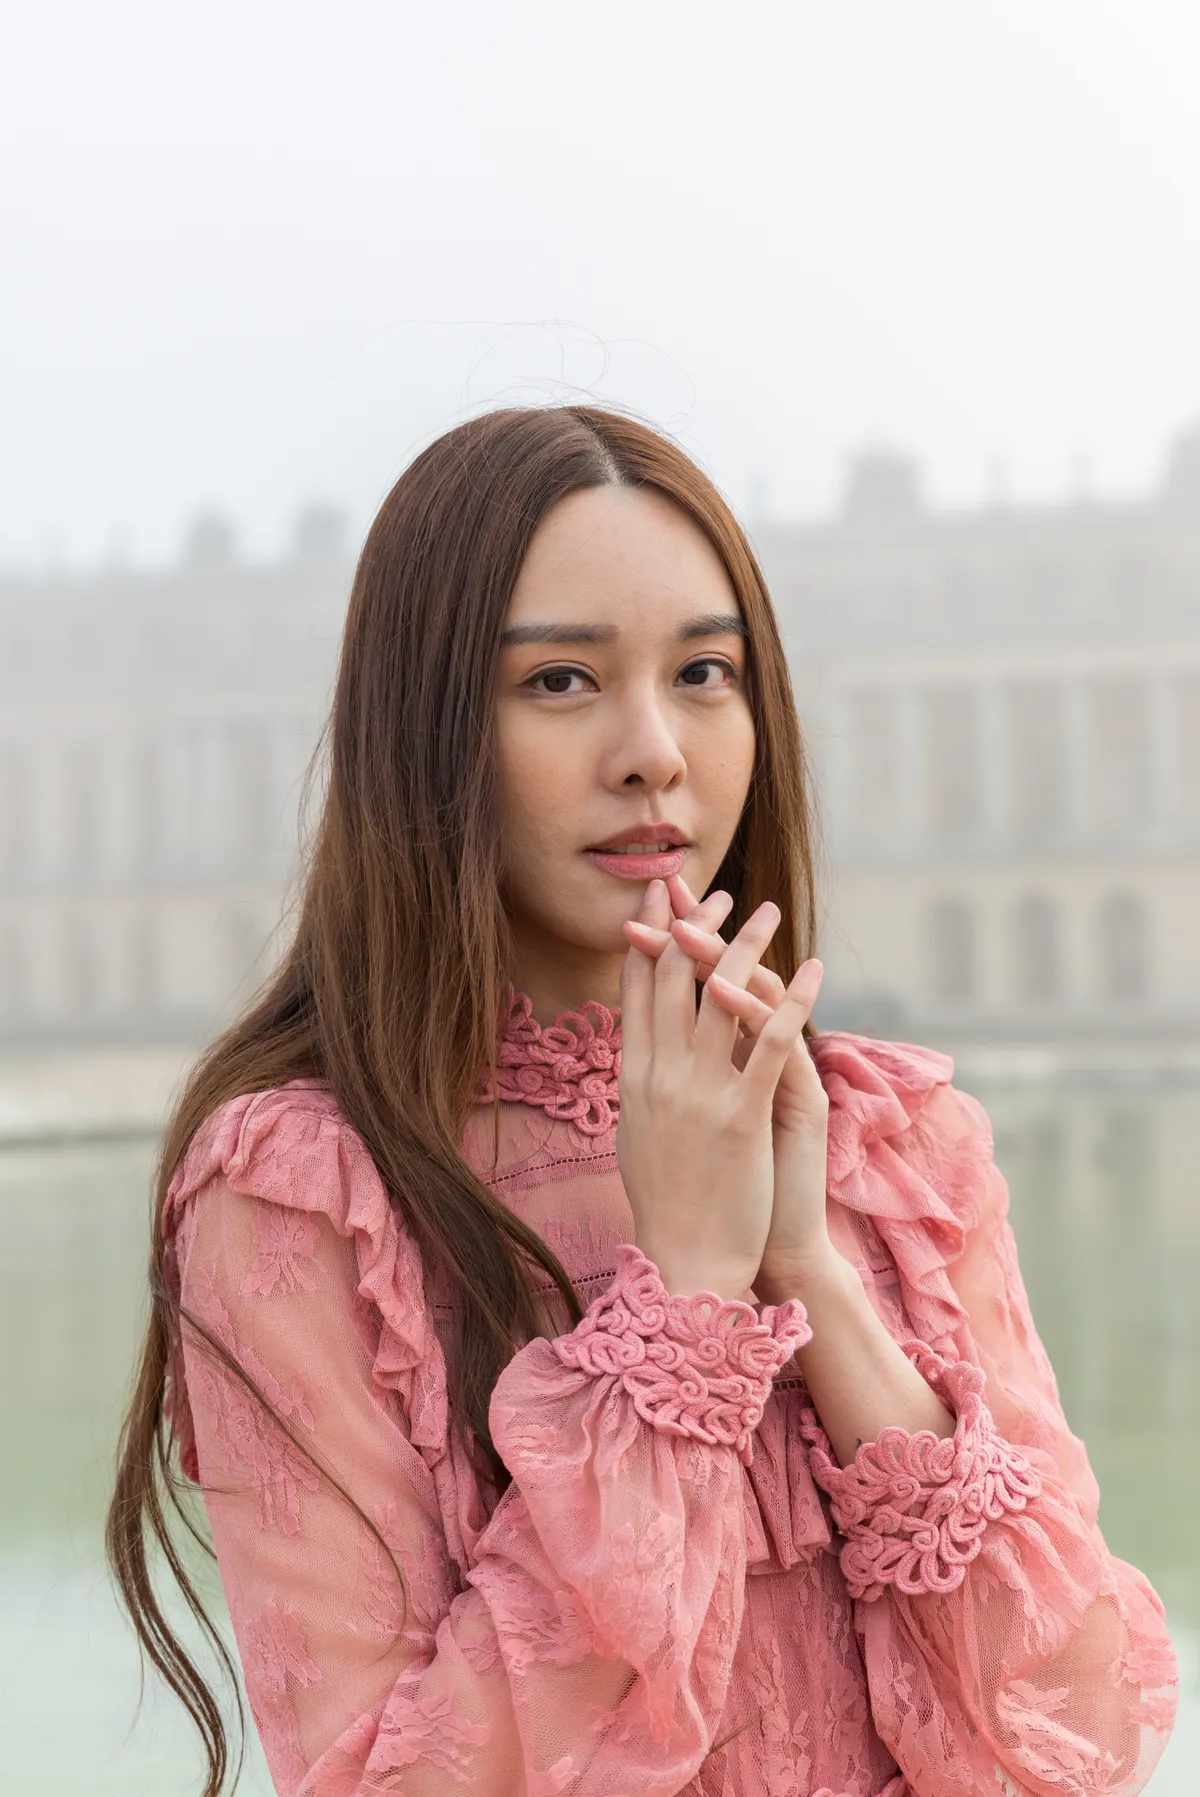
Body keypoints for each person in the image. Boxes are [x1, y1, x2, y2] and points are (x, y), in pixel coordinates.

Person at [108, 406, 1177, 1797]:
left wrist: (812, 1280)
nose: (653, 750)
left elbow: (1083, 1735)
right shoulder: (305, 1192)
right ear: (426, 728)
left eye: (705, 672)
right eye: (559, 682)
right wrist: (675, 1311)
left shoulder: (898, 1147)